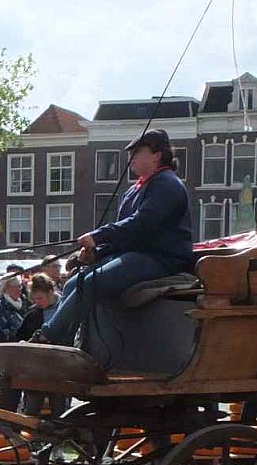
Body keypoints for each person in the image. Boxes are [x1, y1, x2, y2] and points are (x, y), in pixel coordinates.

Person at [36, 128, 194, 347]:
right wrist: (96, 253)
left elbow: (141, 224)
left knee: (92, 281)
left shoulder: (167, 185)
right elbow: (122, 235)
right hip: (134, 255)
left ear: (157, 155)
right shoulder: (134, 190)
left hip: (160, 259)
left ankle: (48, 337)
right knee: (74, 282)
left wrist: (97, 236)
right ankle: (62, 344)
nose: (131, 158)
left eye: (137, 152)